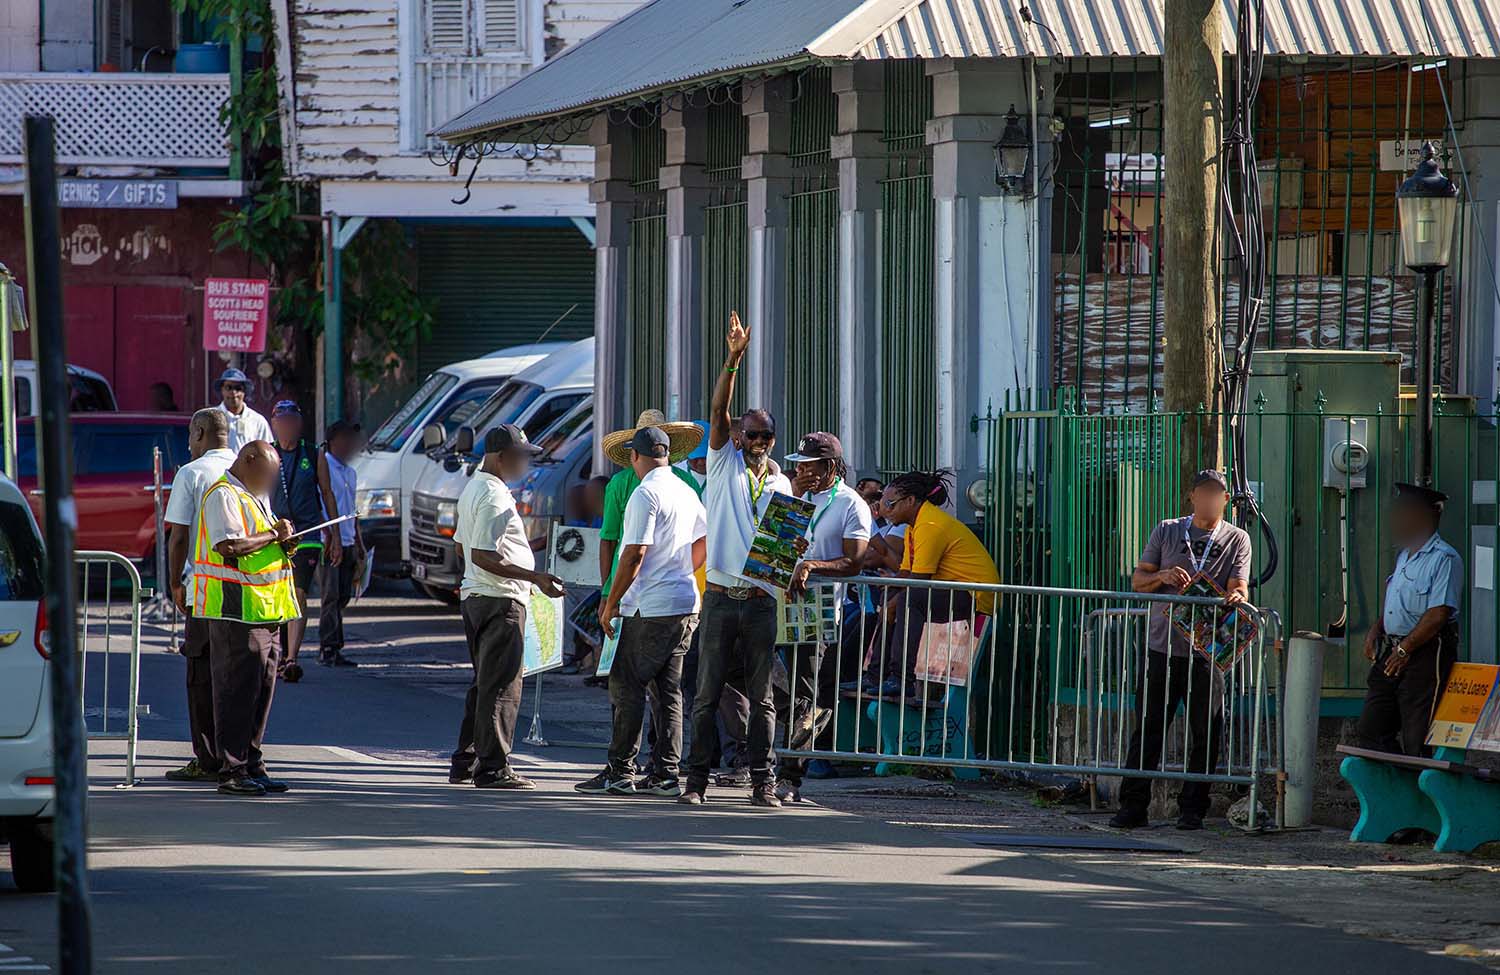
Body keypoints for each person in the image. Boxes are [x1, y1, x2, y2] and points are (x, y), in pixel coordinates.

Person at [682, 311, 793, 809]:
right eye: (750, 434)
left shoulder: (782, 483)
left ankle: (762, 782)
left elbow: (787, 545)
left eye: (765, 436)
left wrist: (795, 564)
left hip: (761, 601)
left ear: (774, 440)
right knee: (706, 696)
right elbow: (718, 408)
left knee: (763, 698)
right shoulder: (723, 461)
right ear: (737, 436)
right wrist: (733, 359)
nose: (757, 443)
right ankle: (696, 782)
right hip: (722, 598)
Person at [1111, 469, 1252, 831]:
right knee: (1149, 727)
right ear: (1192, 496)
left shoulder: (1237, 539)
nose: (1210, 499)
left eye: (1217, 494)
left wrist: (1237, 596)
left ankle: (1193, 809)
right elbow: (1139, 580)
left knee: (1207, 733)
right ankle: (1133, 806)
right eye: (1204, 492)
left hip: (1207, 651)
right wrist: (1163, 576)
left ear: (1224, 500)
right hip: (1164, 645)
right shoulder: (1167, 529)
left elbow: (1240, 586)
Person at [576, 427, 707, 797]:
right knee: (668, 690)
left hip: (648, 605)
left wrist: (611, 600)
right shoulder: (685, 489)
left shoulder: (644, 492)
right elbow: (703, 540)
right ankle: (666, 773)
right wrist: (680, 570)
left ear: (635, 455)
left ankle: (621, 770)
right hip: (683, 601)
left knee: (626, 686)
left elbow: (633, 553)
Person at [448, 424, 566, 789]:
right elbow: (483, 554)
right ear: (502, 458)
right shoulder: (495, 495)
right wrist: (535, 578)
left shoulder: (475, 487)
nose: (525, 465)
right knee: (501, 686)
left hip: (480, 596)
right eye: (522, 457)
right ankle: (494, 767)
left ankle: (466, 761)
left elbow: (462, 547)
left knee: (484, 683)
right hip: (499, 600)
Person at [192, 441, 301, 797]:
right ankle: (233, 769)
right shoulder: (223, 495)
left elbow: (260, 546)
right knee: (236, 691)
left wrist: (285, 543)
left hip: (266, 610)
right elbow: (231, 546)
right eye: (266, 473)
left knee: (260, 691)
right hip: (235, 611)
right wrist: (274, 535)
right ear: (248, 460)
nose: (269, 481)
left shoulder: (253, 497)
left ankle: (253, 762)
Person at [774, 432, 871, 802]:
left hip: (815, 609)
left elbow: (854, 561)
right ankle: (788, 729)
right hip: (777, 601)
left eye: (809, 466)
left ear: (830, 466)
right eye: (798, 464)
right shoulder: (794, 498)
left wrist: (812, 564)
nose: (800, 471)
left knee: (807, 693)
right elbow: (774, 544)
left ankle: (790, 775)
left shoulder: (851, 504)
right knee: (751, 672)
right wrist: (794, 503)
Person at [852, 470, 999, 698]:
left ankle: (902, 679)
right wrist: (892, 587)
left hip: (974, 594)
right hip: (950, 590)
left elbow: (920, 580)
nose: (884, 511)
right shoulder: (914, 526)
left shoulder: (930, 524)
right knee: (891, 597)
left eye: (890, 504)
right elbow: (906, 572)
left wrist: (896, 592)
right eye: (882, 504)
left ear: (910, 501)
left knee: (909, 599)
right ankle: (874, 675)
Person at [1357, 483, 1463, 761]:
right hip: (1393, 648)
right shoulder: (1404, 555)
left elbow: (1438, 613)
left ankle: (1421, 795)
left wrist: (1405, 649)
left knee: (1419, 735)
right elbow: (1396, 601)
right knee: (1372, 727)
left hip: (1425, 652)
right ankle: (1397, 789)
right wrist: (1377, 628)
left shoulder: (1444, 558)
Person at [161, 409, 236, 782]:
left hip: (205, 592)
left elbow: (178, 536)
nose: (189, 443)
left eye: (191, 436)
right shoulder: (249, 466)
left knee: (202, 675)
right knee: (238, 677)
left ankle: (207, 757)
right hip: (246, 595)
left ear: (202, 433)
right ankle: (238, 759)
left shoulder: (191, 473)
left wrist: (175, 582)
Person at [269, 401, 323, 681]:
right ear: (274, 424)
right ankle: (276, 655)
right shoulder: (268, 454)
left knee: (299, 593)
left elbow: (327, 493)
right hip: (276, 535)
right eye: (283, 421)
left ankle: (291, 658)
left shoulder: (313, 454)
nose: (288, 426)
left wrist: (336, 537)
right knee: (279, 594)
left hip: (308, 535)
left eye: (293, 420)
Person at [315, 420, 364, 668]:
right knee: (330, 596)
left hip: (347, 540)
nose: (349, 446)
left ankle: (336, 644)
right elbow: (320, 504)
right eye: (345, 440)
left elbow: (352, 510)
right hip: (329, 541)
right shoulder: (325, 468)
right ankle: (328, 647)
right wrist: (328, 534)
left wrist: (359, 542)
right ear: (333, 442)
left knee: (343, 595)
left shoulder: (350, 472)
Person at [214, 367, 273, 452]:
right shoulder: (211, 418)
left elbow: (268, 451)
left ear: (245, 391)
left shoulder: (258, 421)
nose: (233, 392)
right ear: (222, 390)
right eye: (228, 387)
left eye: (238, 388)